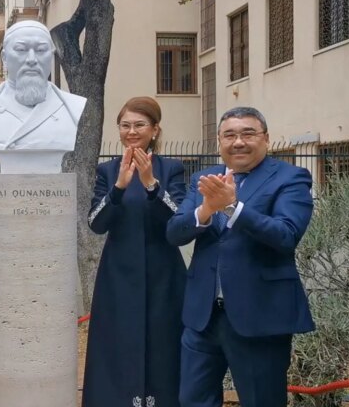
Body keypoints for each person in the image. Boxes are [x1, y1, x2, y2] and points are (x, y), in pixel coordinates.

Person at [166, 107, 315, 406]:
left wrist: (233, 208)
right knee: (192, 399)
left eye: (248, 133)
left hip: (260, 315)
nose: (238, 142)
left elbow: (286, 235)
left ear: (266, 138)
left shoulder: (291, 177)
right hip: (202, 316)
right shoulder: (204, 178)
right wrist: (206, 209)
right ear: (219, 141)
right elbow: (175, 233)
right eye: (229, 135)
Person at [83, 97, 186, 407]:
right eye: (125, 125)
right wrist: (118, 187)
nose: (131, 131)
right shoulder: (107, 170)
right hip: (118, 273)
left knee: (163, 343)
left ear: (155, 130)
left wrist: (151, 184)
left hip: (164, 273)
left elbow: (179, 220)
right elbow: (96, 223)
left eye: (139, 125)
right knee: (116, 343)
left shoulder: (171, 169)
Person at [0, 20, 86, 173]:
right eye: (21, 49)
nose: (32, 59)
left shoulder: (72, 106)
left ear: (51, 56)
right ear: (4, 57)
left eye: (41, 50)